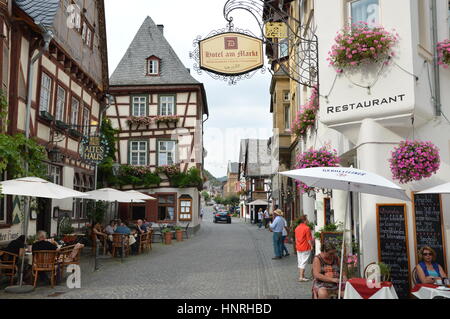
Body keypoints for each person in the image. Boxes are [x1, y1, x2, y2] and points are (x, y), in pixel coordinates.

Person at [295, 215, 314, 282]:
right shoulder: (307, 228)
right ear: (304, 220)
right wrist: (311, 246)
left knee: (300, 261)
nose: (308, 220)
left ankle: (302, 275)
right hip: (305, 246)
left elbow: (296, 238)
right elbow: (309, 239)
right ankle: (301, 277)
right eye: (307, 219)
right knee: (304, 262)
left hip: (298, 246)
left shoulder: (297, 228)